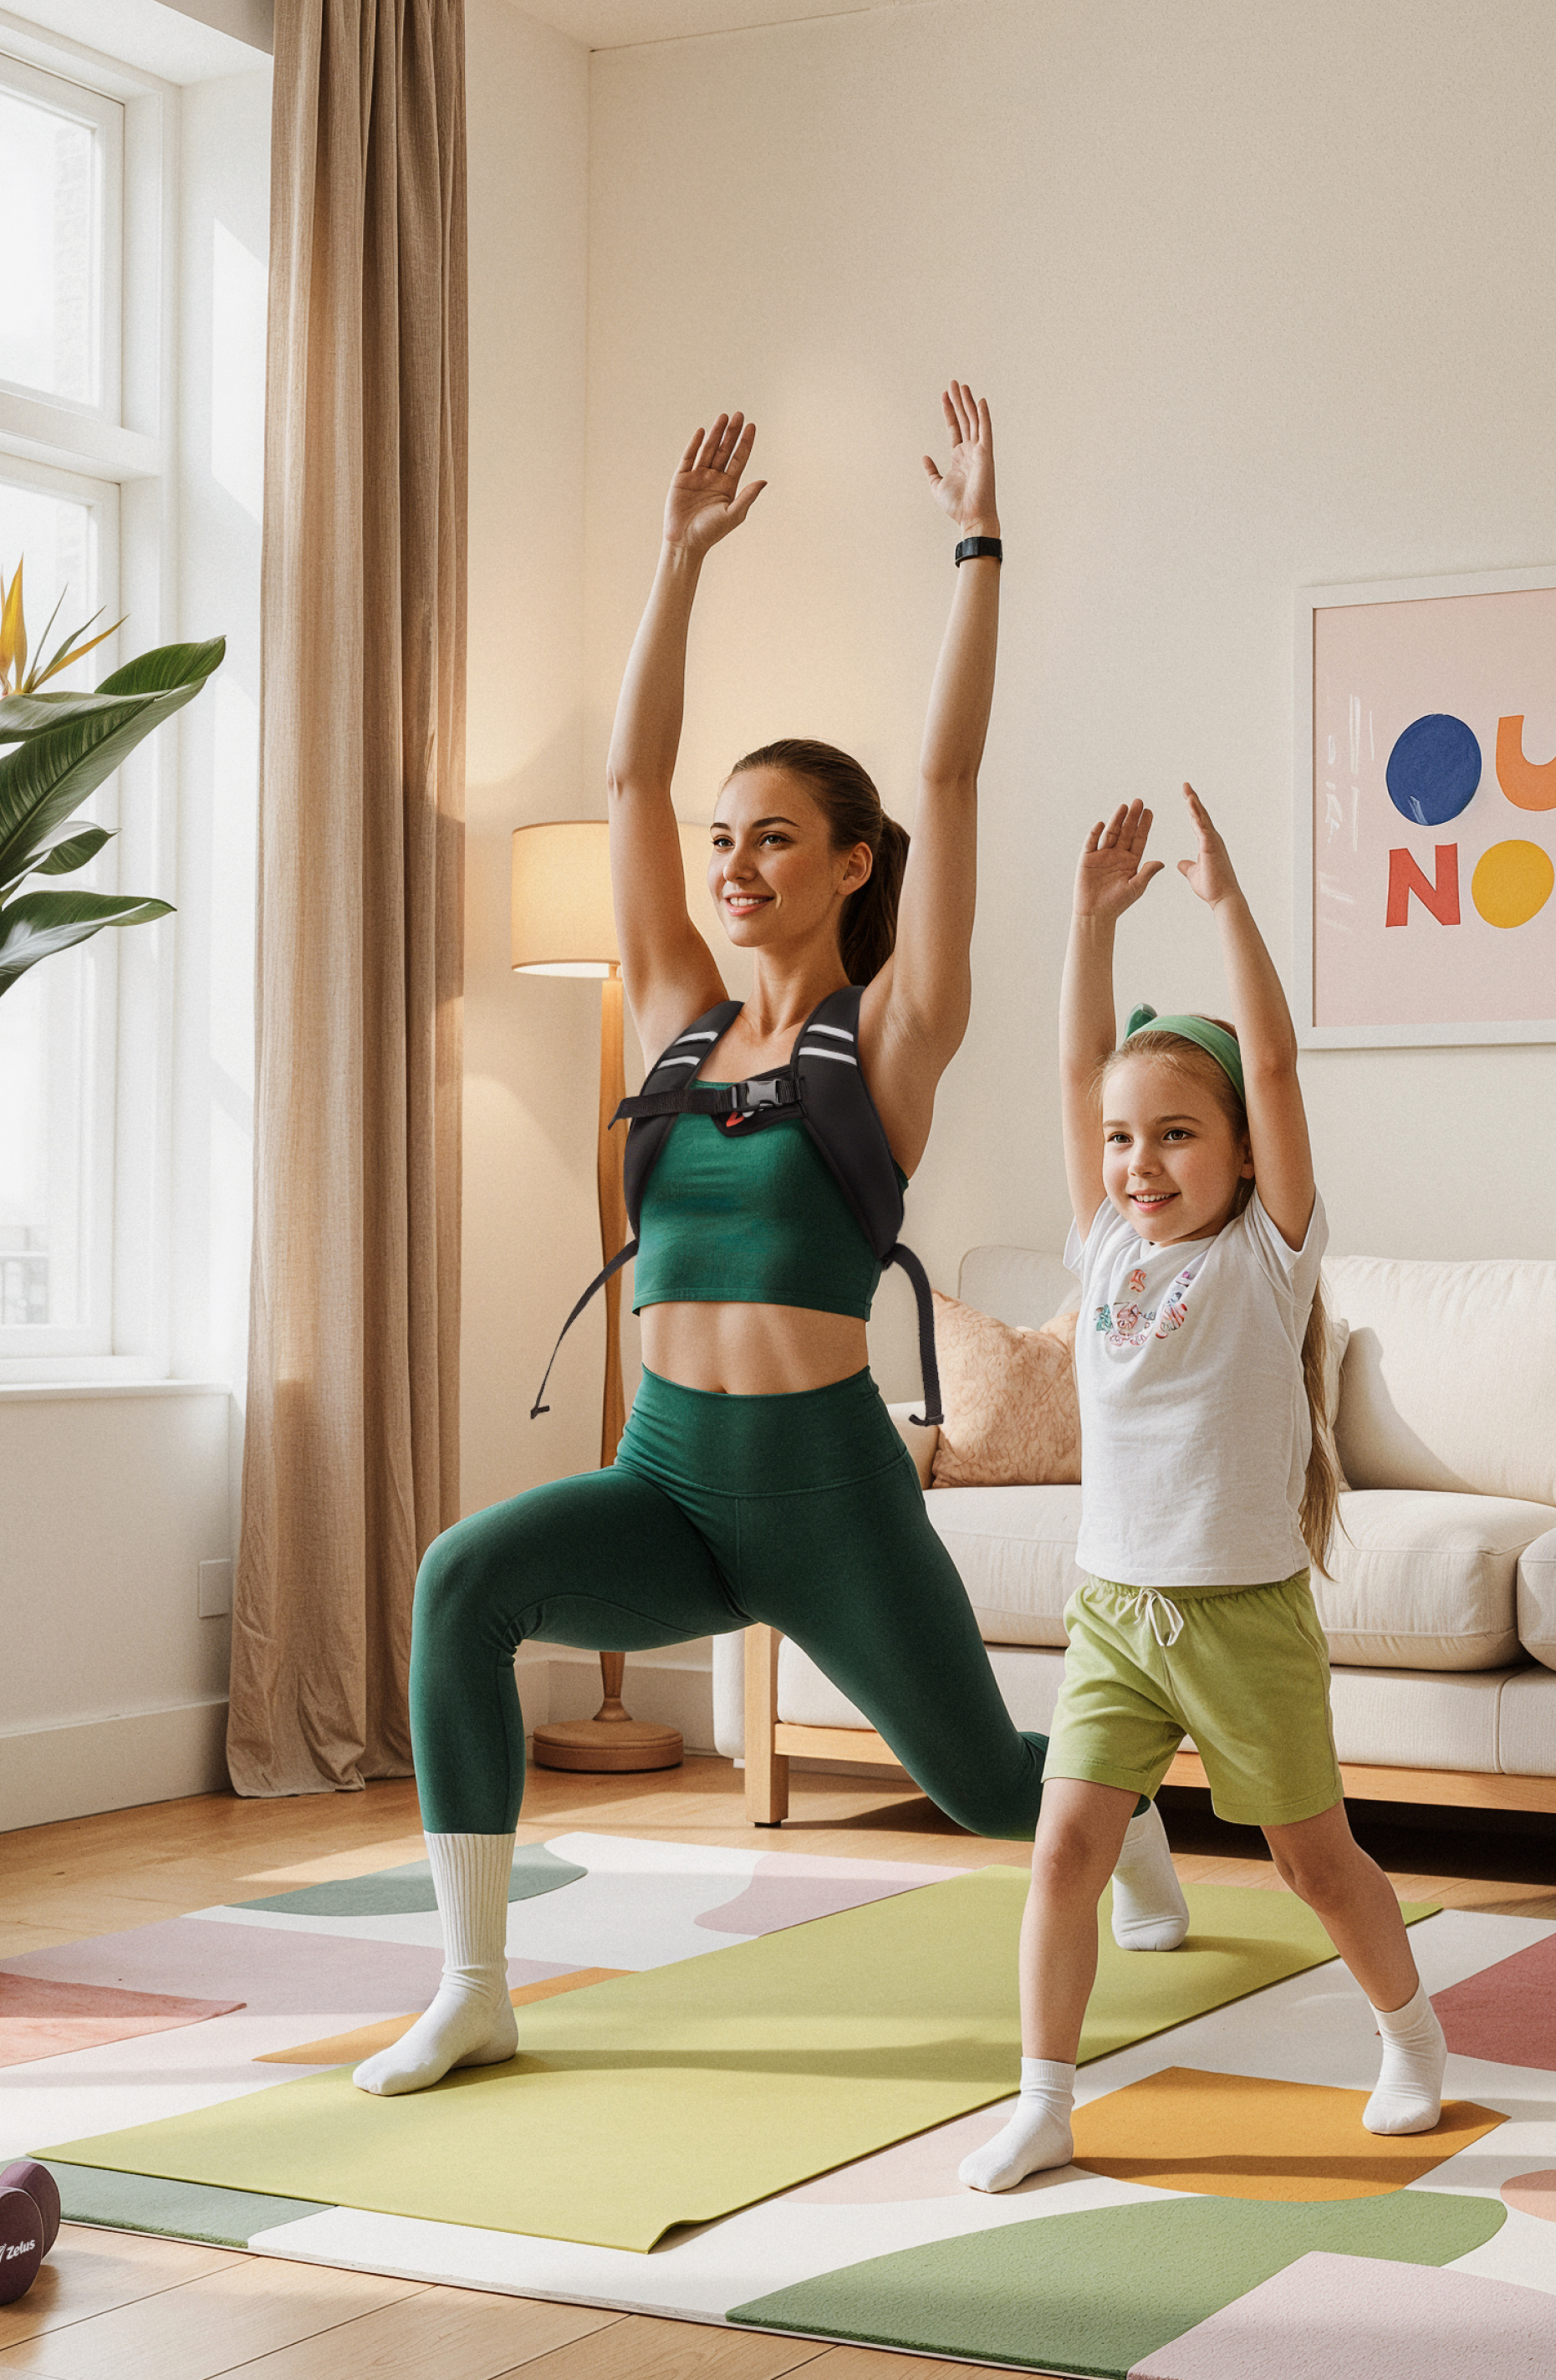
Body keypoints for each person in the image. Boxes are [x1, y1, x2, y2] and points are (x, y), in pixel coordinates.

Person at [356, 386, 1182, 2099]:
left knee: (971, 1782)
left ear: (850, 864)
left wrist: (977, 545)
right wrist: (674, 560)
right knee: (462, 1580)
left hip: (826, 1496)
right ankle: (477, 1983)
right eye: (723, 842)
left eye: (774, 840)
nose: (732, 865)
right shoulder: (670, 1021)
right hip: (665, 1476)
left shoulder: (890, 1042)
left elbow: (950, 772)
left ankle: (1130, 1816)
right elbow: (627, 773)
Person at [958, 787, 1447, 2191]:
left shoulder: (1263, 1257)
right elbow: (1071, 1069)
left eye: (1176, 1135)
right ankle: (1045, 2096)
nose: (1139, 1162)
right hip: (1114, 1609)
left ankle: (1408, 2035)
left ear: (1239, 1149)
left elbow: (1279, 1066)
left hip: (1241, 1614)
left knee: (1311, 1862)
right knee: (1060, 1856)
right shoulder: (1105, 1248)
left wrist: (1227, 905)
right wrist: (1087, 922)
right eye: (1125, 1140)